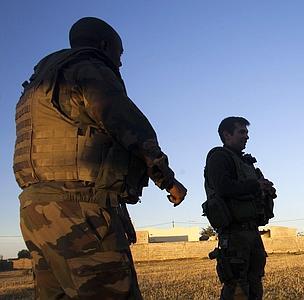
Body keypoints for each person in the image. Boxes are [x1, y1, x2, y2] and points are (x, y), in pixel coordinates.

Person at [13, 17, 187, 299]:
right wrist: (168, 181)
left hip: (35, 209)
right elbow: (131, 127)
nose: (120, 64)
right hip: (79, 208)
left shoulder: (37, 87)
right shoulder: (89, 69)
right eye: (120, 55)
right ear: (105, 46)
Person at [204, 116, 276, 300]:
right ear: (226, 135)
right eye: (242, 132)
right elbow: (223, 186)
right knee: (237, 289)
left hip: (252, 232)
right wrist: (255, 185)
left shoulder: (245, 162)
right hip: (234, 234)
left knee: (255, 286)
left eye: (247, 133)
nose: (247, 137)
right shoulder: (219, 157)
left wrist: (265, 189)